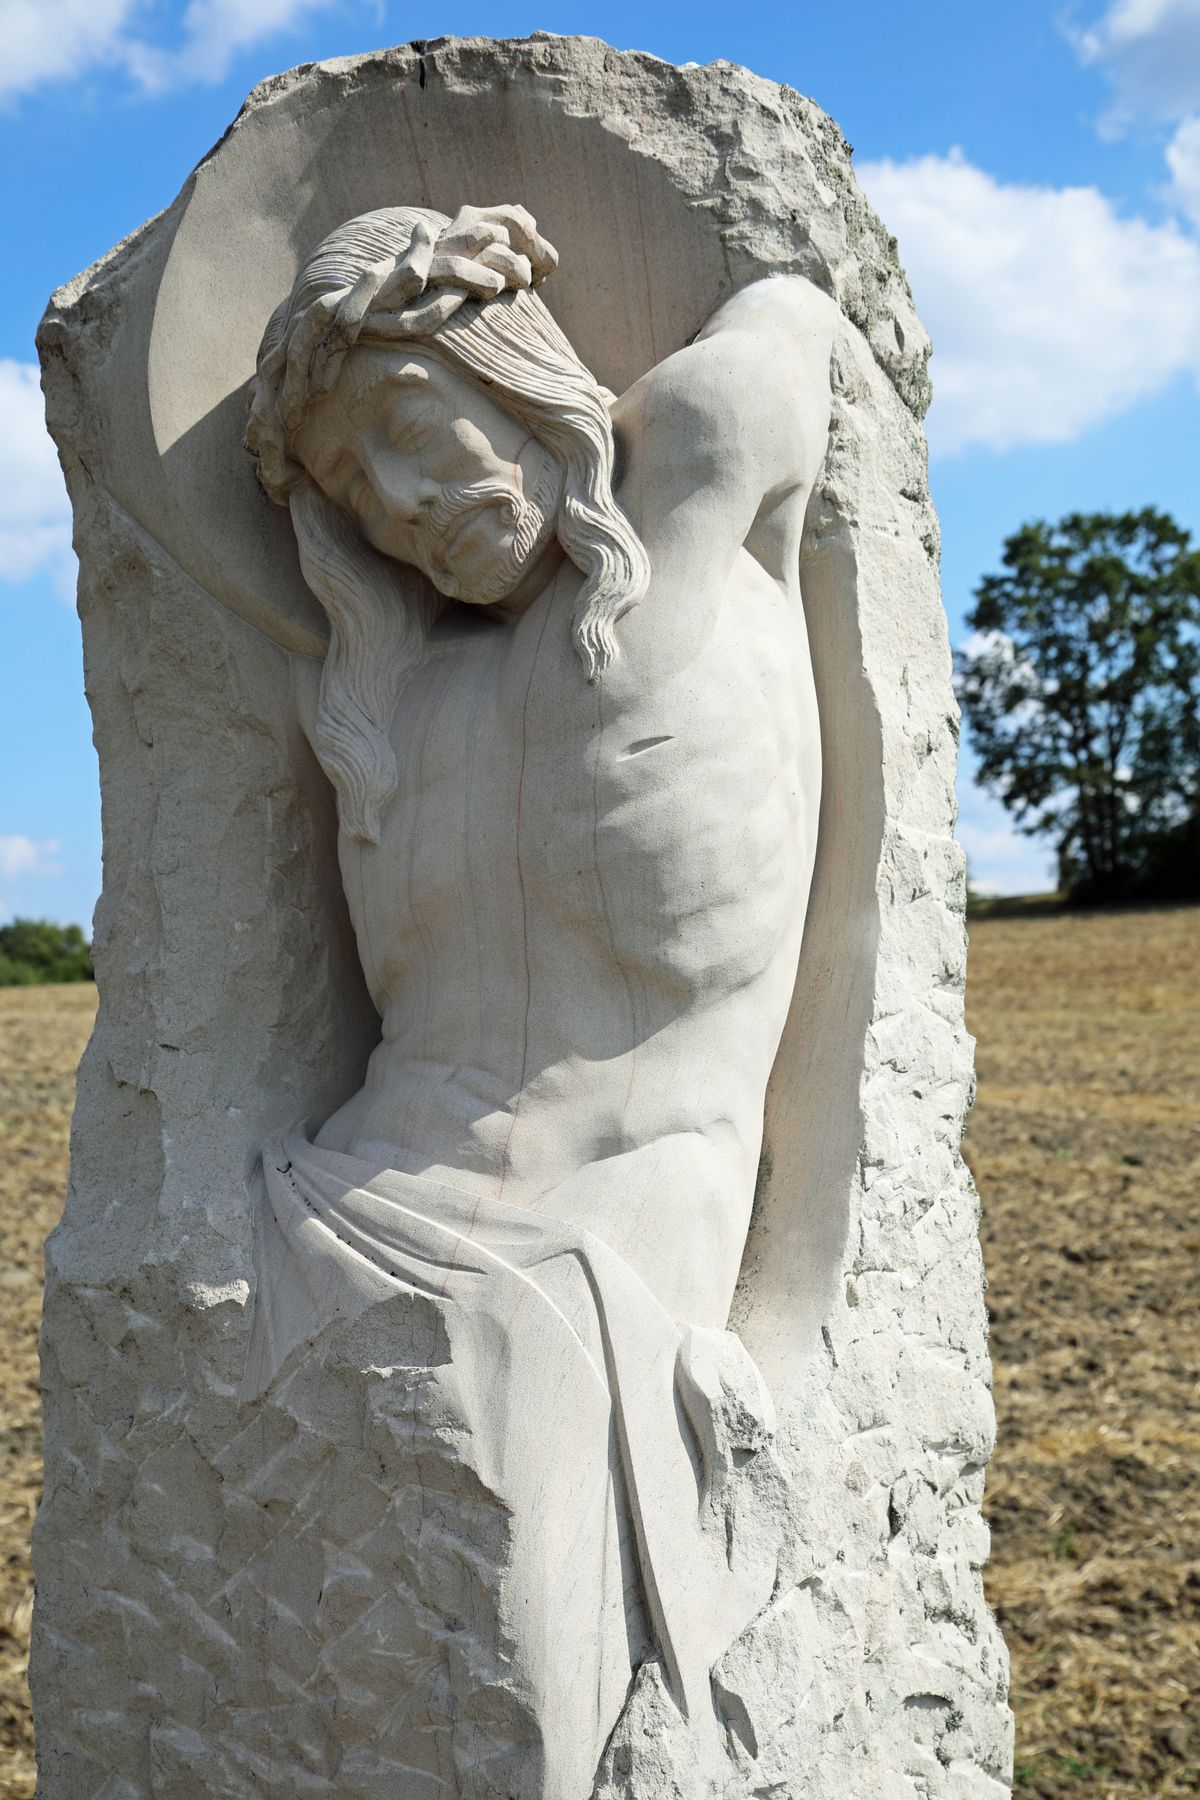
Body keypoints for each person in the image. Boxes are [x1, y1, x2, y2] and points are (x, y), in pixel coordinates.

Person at [242, 200, 835, 1794]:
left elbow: (798, 305)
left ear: (511, 370)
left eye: (414, 436)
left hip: (623, 1222)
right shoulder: (391, 700)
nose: (405, 509)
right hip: (352, 1190)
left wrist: (796, 1302)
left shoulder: (700, 475)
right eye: (355, 490)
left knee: (507, 1475)